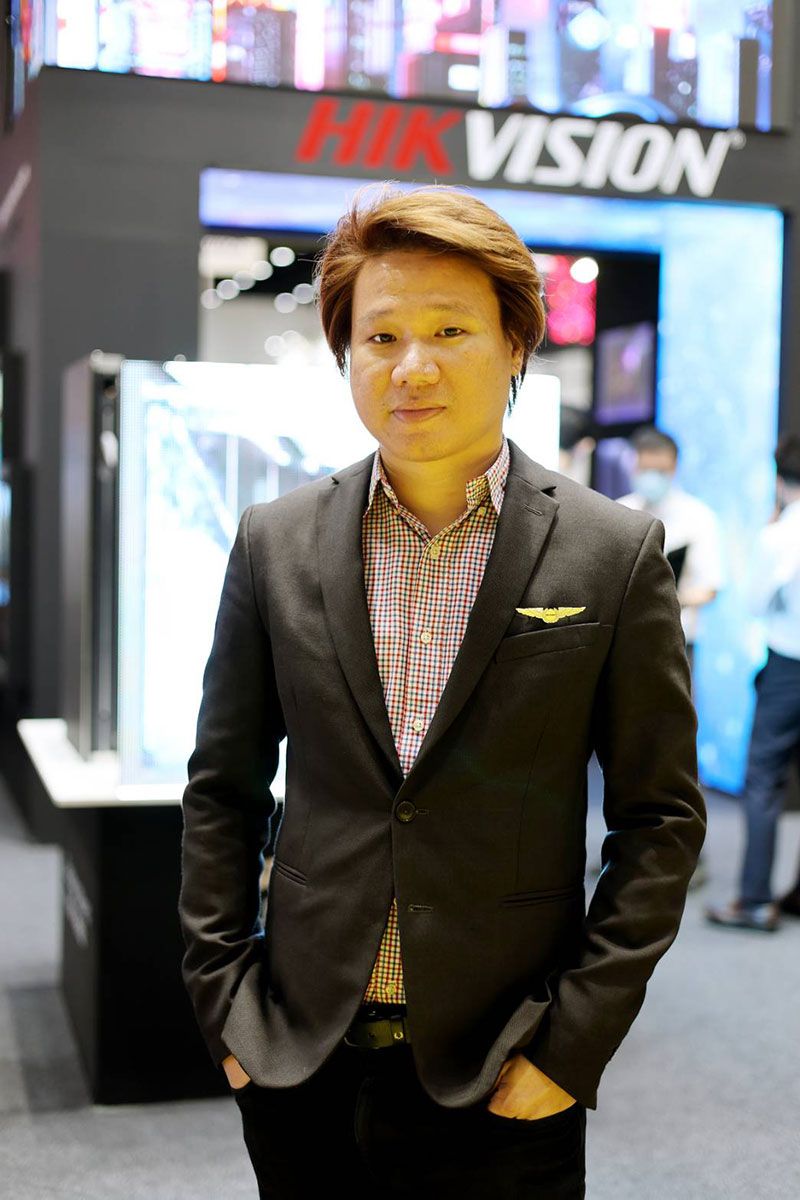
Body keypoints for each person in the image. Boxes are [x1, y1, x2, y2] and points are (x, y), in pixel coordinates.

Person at [178, 185, 706, 1200]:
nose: (410, 366)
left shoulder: (611, 552)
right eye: (380, 336)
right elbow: (222, 790)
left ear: (514, 344)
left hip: (504, 1066)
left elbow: (659, 820)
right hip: (299, 1059)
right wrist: (225, 1006)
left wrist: (573, 1043)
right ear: (346, 355)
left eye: (449, 331)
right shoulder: (275, 542)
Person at [706, 434, 800, 932]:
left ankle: (755, 900)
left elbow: (755, 604)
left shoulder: (781, 535)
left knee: (764, 781)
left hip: (789, 666)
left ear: (781, 479)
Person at [617, 426, 725, 667]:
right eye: (646, 469)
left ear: (674, 468)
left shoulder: (698, 517)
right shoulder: (618, 510)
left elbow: (710, 587)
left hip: (677, 639)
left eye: (660, 471)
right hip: (624, 638)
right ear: (634, 466)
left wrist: (668, 600)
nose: (652, 477)